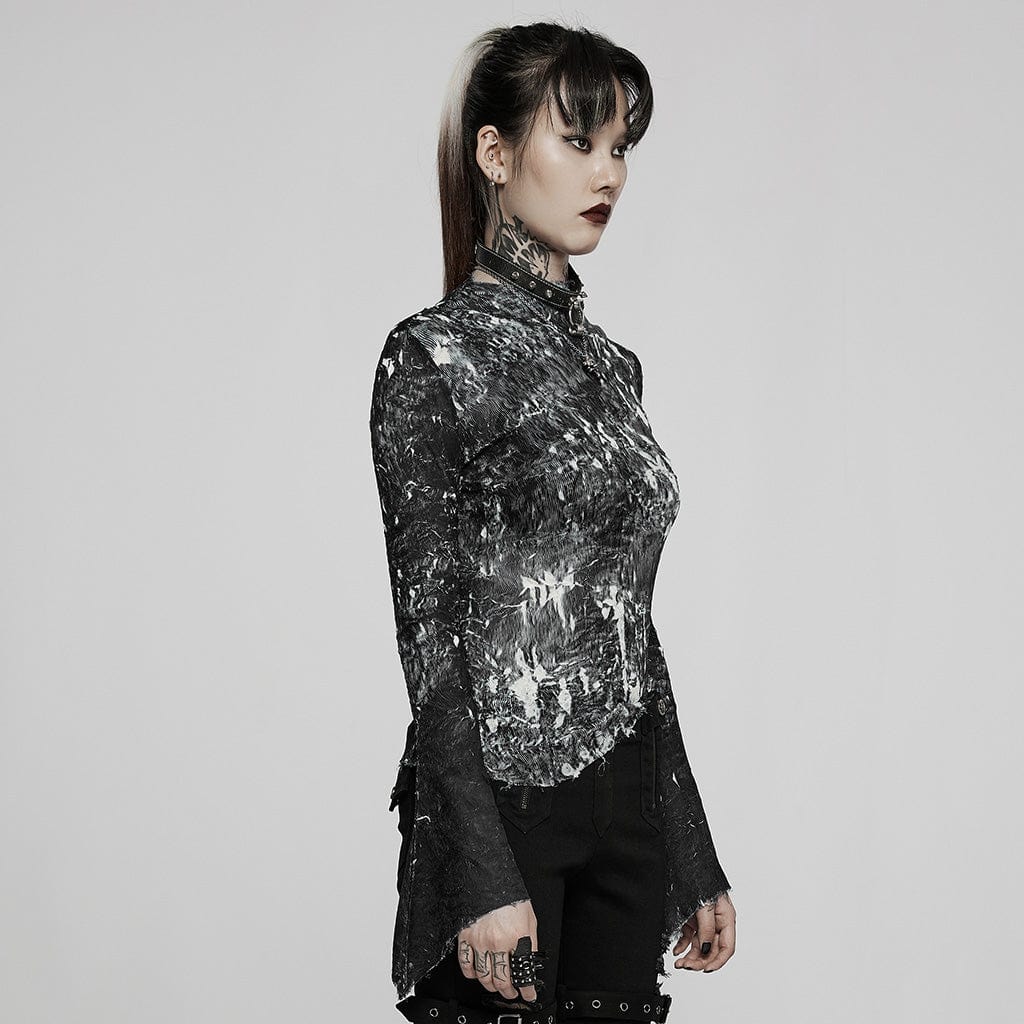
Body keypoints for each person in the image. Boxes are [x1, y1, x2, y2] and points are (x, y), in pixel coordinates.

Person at [369, 21, 737, 1024]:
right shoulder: (433, 358)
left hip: (628, 806)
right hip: (505, 806)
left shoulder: (615, 369)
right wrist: (480, 870)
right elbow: (429, 633)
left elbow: (627, 618)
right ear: (494, 154)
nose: (607, 172)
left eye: (619, 146)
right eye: (577, 141)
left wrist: (687, 838)